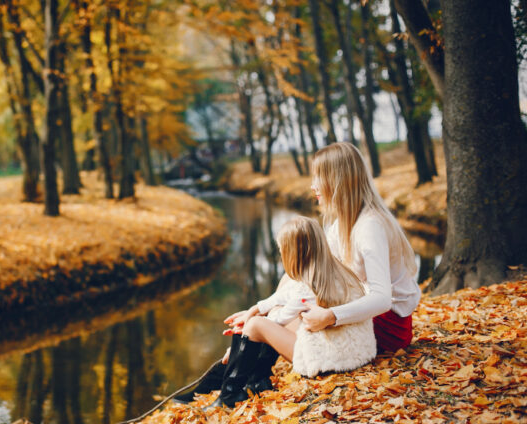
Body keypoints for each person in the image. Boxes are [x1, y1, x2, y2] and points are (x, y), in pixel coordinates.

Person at [175, 142, 421, 408]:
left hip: (385, 326)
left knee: (283, 312)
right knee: (288, 292)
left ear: (338, 181)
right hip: (363, 316)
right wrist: (257, 309)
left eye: (319, 177)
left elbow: (383, 299)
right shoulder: (342, 225)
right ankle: (245, 372)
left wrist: (329, 316)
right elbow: (304, 278)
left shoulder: (369, 227)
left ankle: (236, 376)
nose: (313, 186)